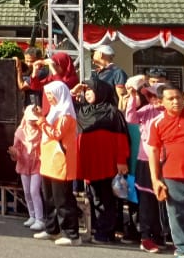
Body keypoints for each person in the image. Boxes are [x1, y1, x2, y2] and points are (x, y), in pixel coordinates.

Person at [73, 77, 130, 243]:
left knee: (107, 198)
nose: (88, 93)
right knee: (94, 197)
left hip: (107, 163)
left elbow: (121, 138)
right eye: (86, 91)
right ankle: (98, 229)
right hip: (89, 163)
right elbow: (64, 105)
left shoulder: (112, 112)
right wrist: (74, 92)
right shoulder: (82, 110)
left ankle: (107, 232)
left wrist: (121, 161)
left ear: (101, 91)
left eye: (91, 90)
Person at [34, 81, 81, 246]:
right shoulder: (54, 112)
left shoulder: (66, 114)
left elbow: (56, 134)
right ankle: (52, 228)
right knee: (50, 198)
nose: (49, 98)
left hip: (61, 161)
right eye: (47, 95)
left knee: (63, 199)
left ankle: (72, 234)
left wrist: (41, 121)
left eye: (51, 95)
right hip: (49, 160)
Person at [148, 84, 184, 258]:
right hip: (173, 176)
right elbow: (153, 151)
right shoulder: (157, 123)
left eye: (178, 97)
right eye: (171, 99)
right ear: (161, 102)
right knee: (177, 215)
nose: (176, 101)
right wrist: (155, 179)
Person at [126, 78, 167, 253]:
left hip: (166, 161)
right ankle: (145, 236)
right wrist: (132, 98)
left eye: (156, 96)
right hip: (145, 160)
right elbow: (130, 117)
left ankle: (161, 235)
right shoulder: (147, 110)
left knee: (165, 200)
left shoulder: (170, 112)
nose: (153, 99)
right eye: (150, 96)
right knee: (146, 200)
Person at [8, 104, 46, 231]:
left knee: (35, 190)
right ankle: (32, 215)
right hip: (24, 164)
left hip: (37, 164)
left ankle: (40, 219)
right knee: (27, 191)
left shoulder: (41, 130)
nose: (32, 121)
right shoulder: (20, 132)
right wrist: (14, 153)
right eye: (30, 119)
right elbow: (17, 149)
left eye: (34, 119)